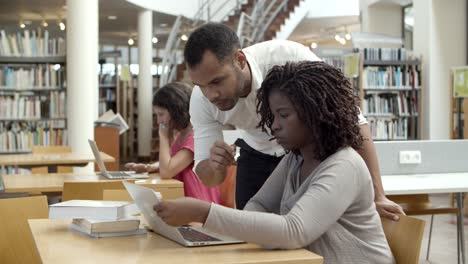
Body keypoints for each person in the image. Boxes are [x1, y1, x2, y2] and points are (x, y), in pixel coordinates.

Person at [154, 61, 395, 263]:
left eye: (284, 115)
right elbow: (258, 204)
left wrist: (203, 212)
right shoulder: (295, 159)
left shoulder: (344, 165)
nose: (274, 125)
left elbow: (294, 230)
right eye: (273, 115)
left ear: (316, 114)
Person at [184, 22, 404, 219]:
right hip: (255, 152)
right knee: (249, 229)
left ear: (239, 60)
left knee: (310, 231)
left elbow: (353, 120)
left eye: (217, 81)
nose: (211, 94)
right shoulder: (201, 100)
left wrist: (379, 195)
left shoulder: (287, 58)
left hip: (305, 153)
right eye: (201, 85)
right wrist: (216, 168)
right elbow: (208, 176)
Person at [125, 82, 221, 204]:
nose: (159, 121)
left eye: (161, 114)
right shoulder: (183, 133)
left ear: (176, 110)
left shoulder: (196, 136)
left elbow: (167, 171)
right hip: (186, 199)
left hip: (199, 203)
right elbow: (174, 162)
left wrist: (163, 137)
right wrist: (152, 167)